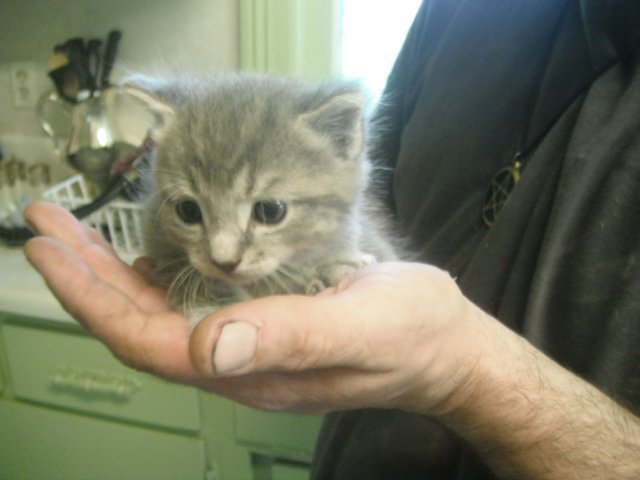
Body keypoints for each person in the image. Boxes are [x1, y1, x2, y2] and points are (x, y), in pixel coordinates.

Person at [24, 0, 640, 478]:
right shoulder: (456, 17)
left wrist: (460, 367)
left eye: (267, 210)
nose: (222, 253)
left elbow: (366, 232)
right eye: (191, 210)